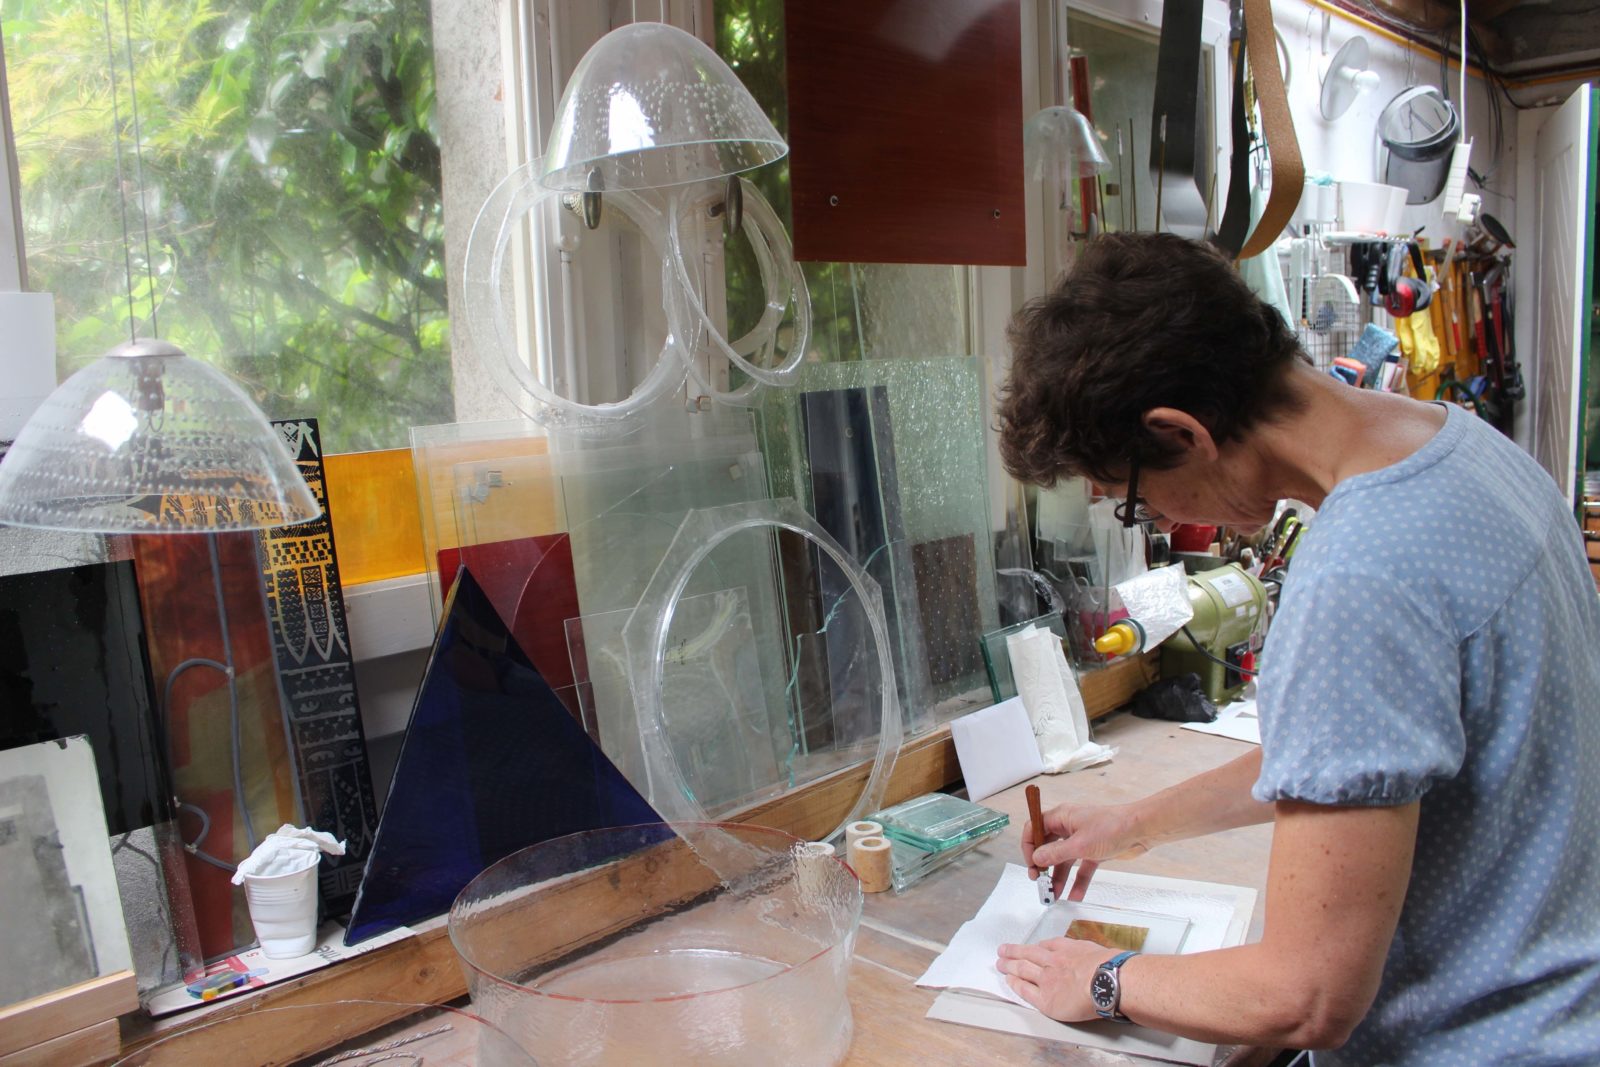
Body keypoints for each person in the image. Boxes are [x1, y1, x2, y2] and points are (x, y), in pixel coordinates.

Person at [992, 232, 1600, 1065]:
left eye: (1131, 500)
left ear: (1182, 432)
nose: (1160, 524)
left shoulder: (1360, 571)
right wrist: (1128, 824)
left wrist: (1107, 978)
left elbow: (1305, 995)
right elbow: (1356, 751)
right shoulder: (1466, 449)